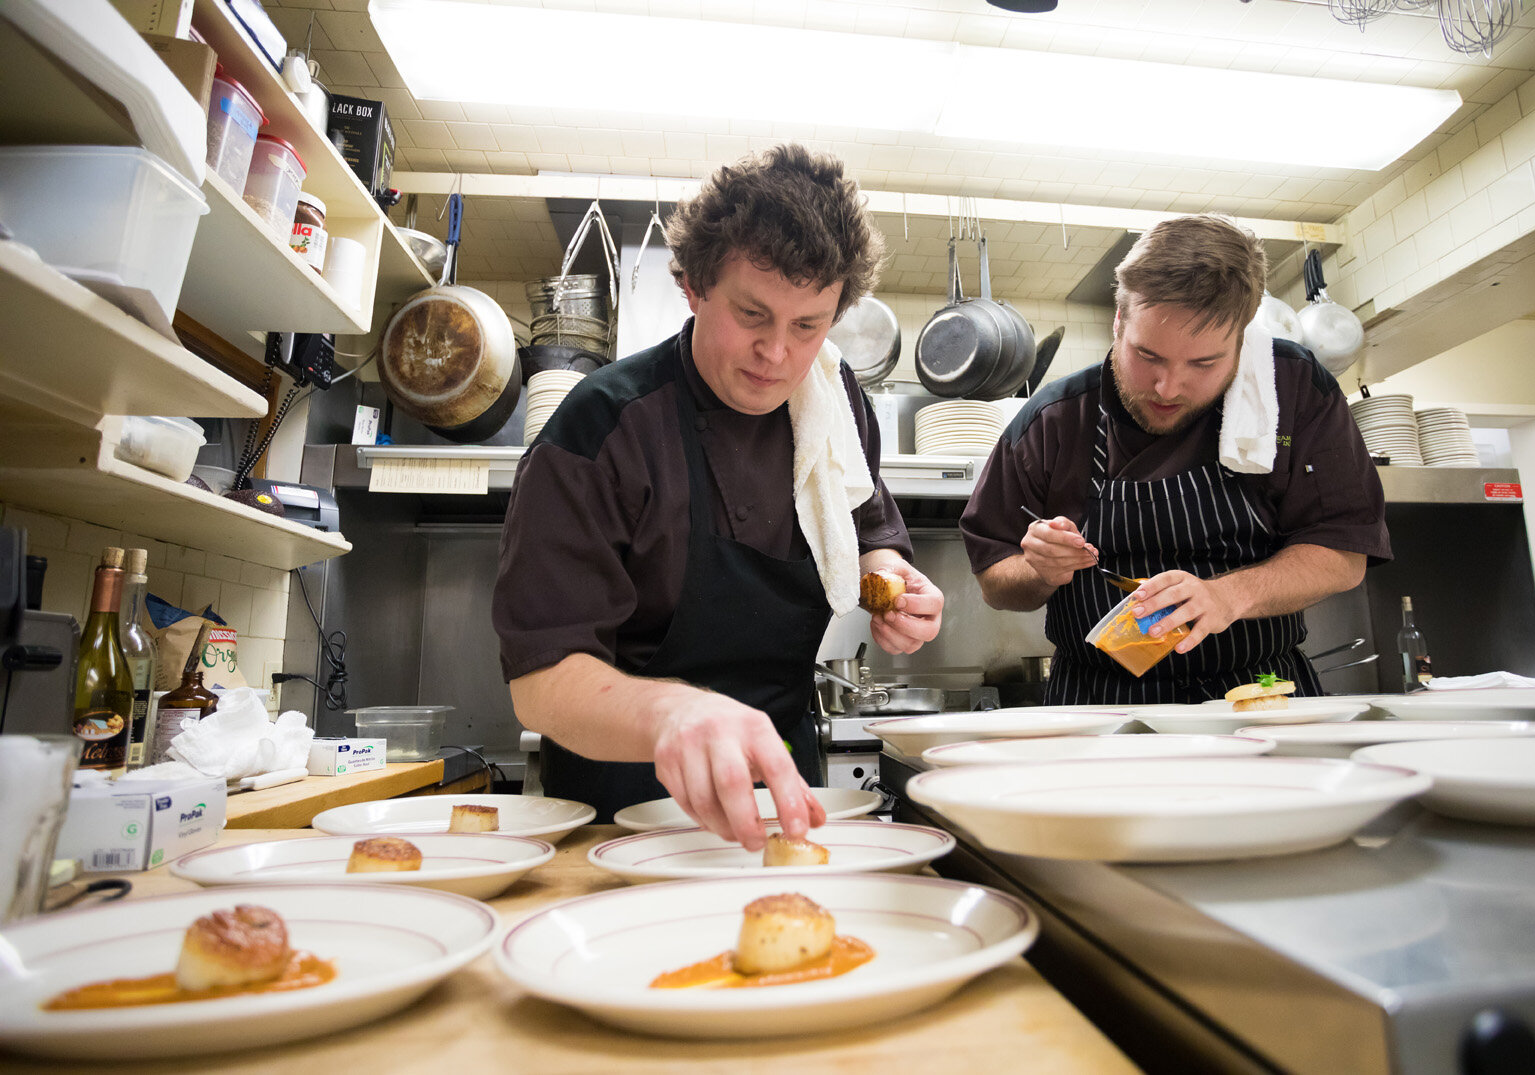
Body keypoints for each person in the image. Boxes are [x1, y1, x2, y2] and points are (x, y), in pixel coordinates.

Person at [493, 144, 943, 850]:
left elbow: (866, 530)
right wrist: (674, 713)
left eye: (807, 325)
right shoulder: (603, 427)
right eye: (751, 314)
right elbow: (541, 680)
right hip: (627, 800)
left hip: (785, 783)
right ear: (694, 287)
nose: (777, 354)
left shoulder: (834, 400)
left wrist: (891, 582)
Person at [961, 214, 1389, 706]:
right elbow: (995, 579)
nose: (1168, 388)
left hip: (1258, 698)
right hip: (1099, 708)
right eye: (1148, 356)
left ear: (1243, 337)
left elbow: (1343, 553)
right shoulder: (1055, 419)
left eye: (1204, 364)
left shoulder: (1292, 390)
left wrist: (1228, 596)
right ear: (1118, 321)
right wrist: (1039, 570)